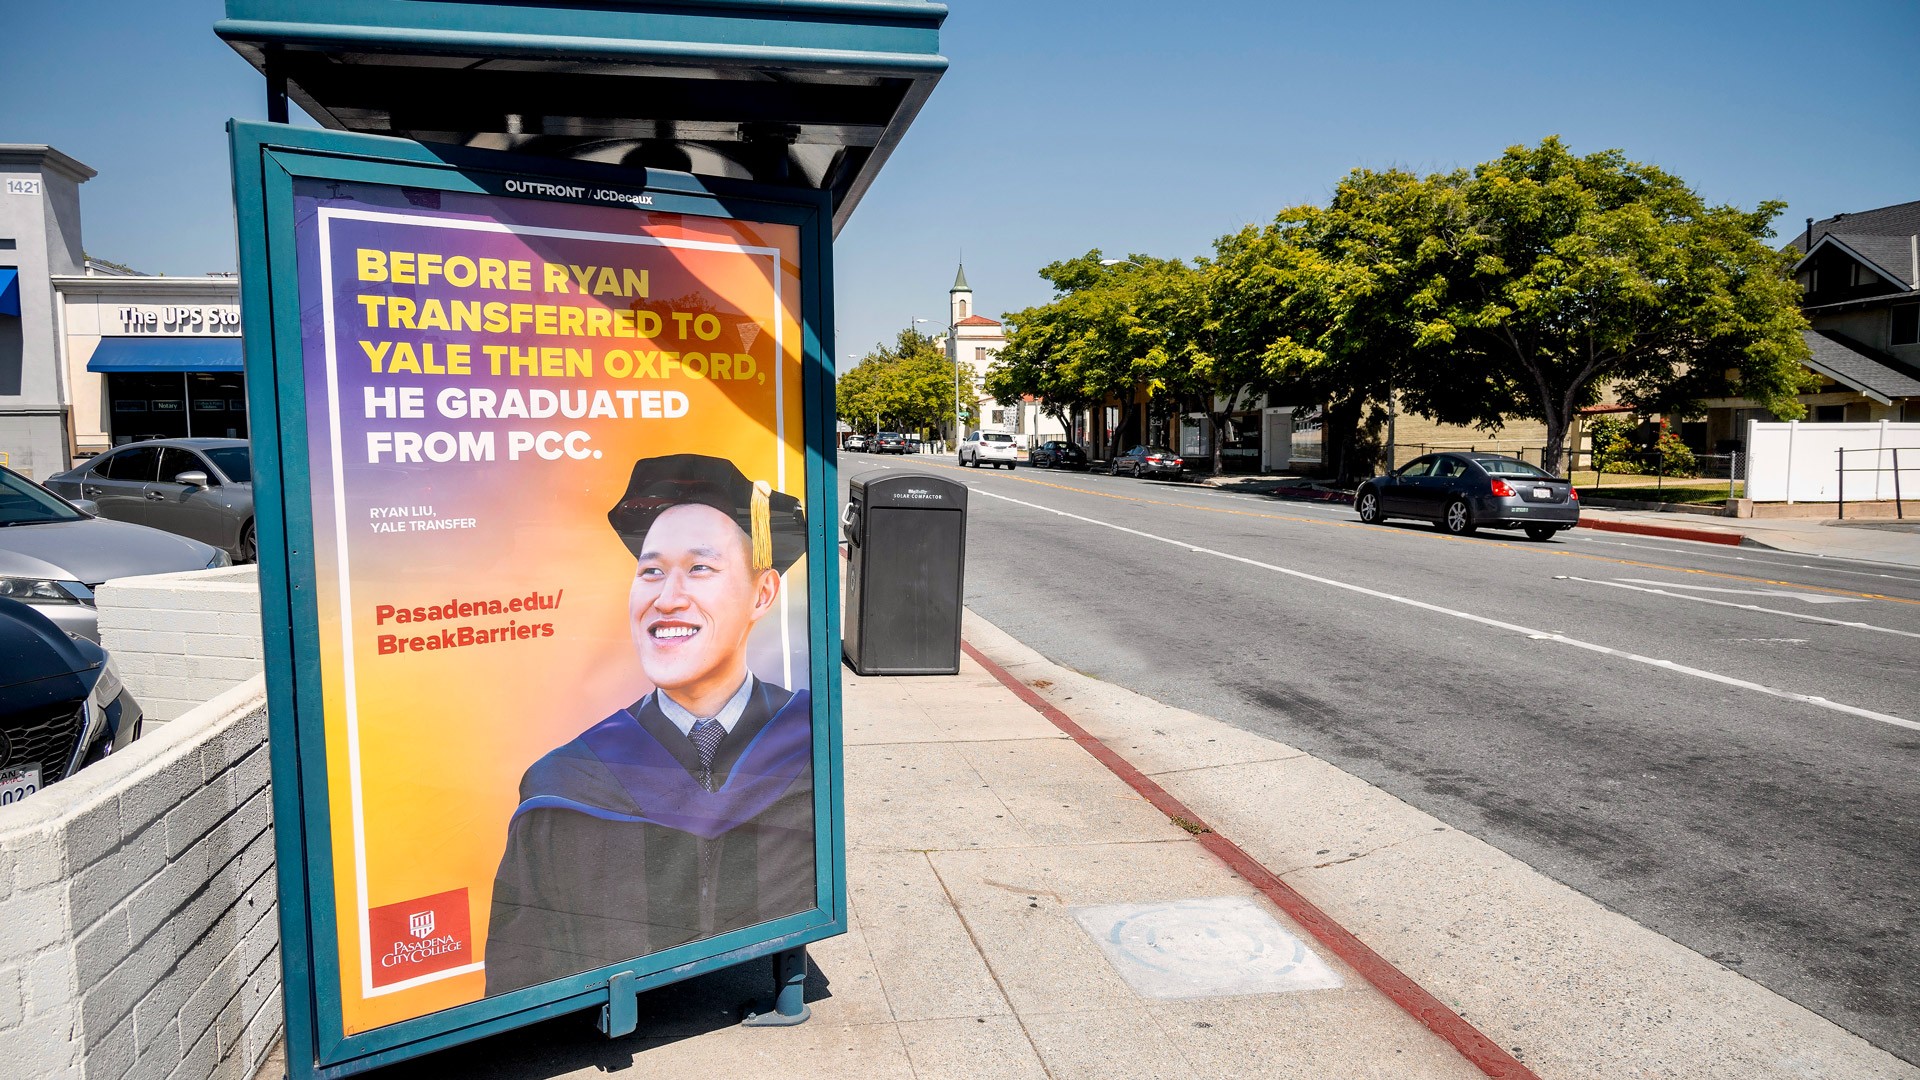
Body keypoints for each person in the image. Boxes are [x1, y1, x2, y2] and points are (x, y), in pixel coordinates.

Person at [484, 454, 814, 994]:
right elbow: (519, 973)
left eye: (701, 568)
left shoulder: (803, 738)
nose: (666, 598)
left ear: (762, 594)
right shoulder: (566, 782)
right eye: (651, 571)